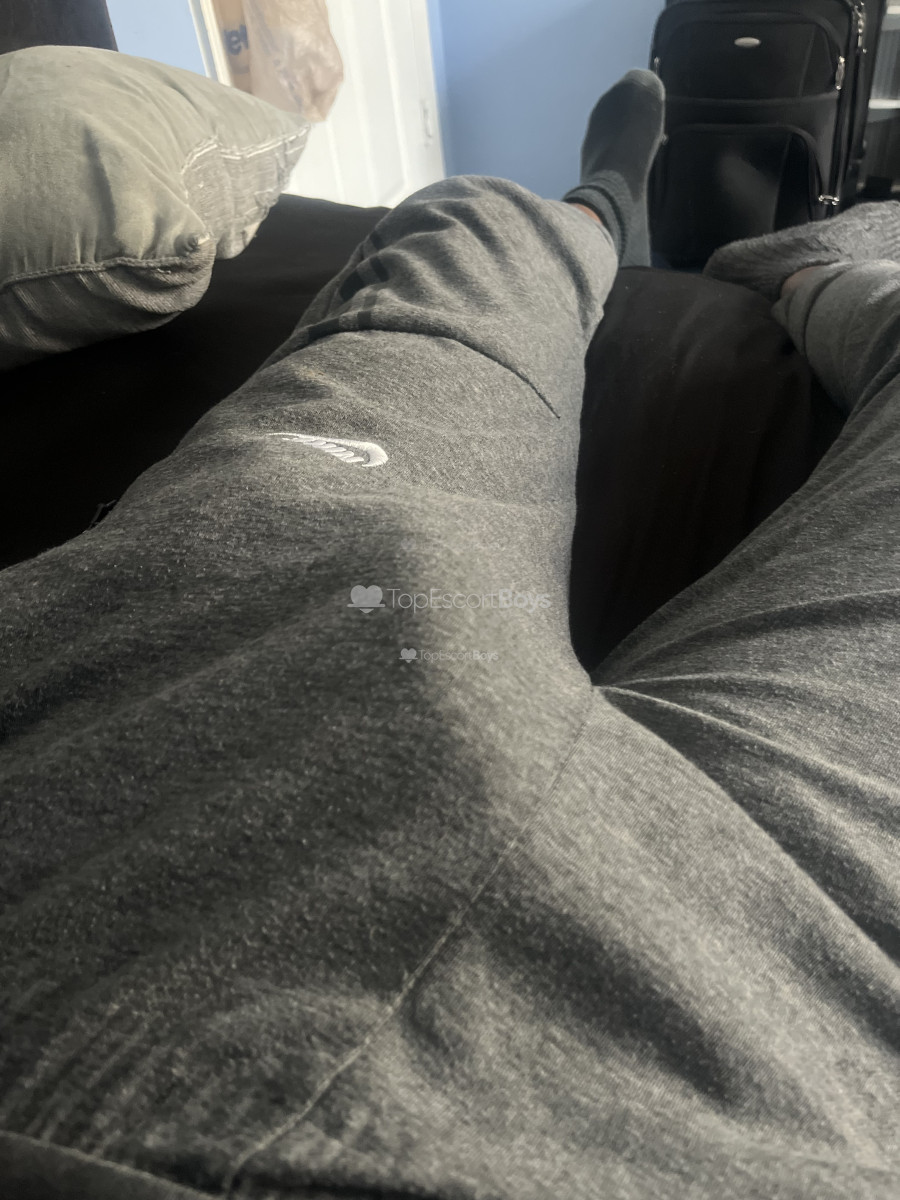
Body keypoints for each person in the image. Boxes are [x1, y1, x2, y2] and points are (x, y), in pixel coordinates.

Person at [1, 70, 898, 1200]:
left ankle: (606, 214)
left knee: (469, 218)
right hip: (790, 1029)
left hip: (119, 765)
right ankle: (808, 263)